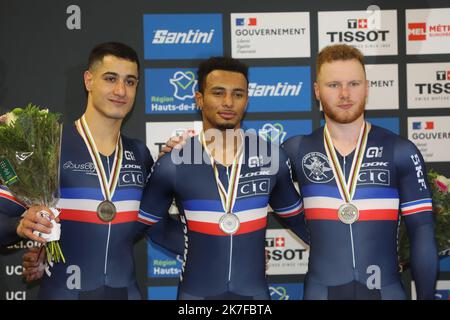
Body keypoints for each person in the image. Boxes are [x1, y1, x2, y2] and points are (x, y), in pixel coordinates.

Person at [0, 42, 181, 299]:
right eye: (110, 79)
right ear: (89, 80)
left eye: (130, 82)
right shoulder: (47, 145)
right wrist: (20, 225)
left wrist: (230, 244)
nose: (121, 90)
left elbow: (158, 229)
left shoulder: (139, 154)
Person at [138, 56, 309, 300]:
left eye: (237, 94)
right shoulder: (173, 163)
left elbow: (297, 220)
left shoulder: (272, 158)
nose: (228, 102)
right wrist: (199, 244)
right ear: (199, 99)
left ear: (247, 101)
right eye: (218, 93)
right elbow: (152, 227)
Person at [281, 44, 438, 299]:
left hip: (385, 291)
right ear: (317, 91)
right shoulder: (295, 150)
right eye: (333, 85)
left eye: (353, 83)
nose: (344, 94)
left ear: (367, 88)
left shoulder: (400, 151)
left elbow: (422, 231)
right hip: (321, 292)